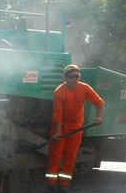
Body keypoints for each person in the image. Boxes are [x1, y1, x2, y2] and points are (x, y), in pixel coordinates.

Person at [45, 64, 105, 193]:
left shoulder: (84, 88)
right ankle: (50, 182)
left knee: (70, 157)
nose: (74, 79)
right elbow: (58, 114)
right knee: (55, 155)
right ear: (65, 78)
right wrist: (57, 132)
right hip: (60, 127)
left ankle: (64, 184)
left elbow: (99, 103)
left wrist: (98, 117)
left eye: (77, 76)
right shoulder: (59, 92)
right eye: (71, 76)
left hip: (76, 128)